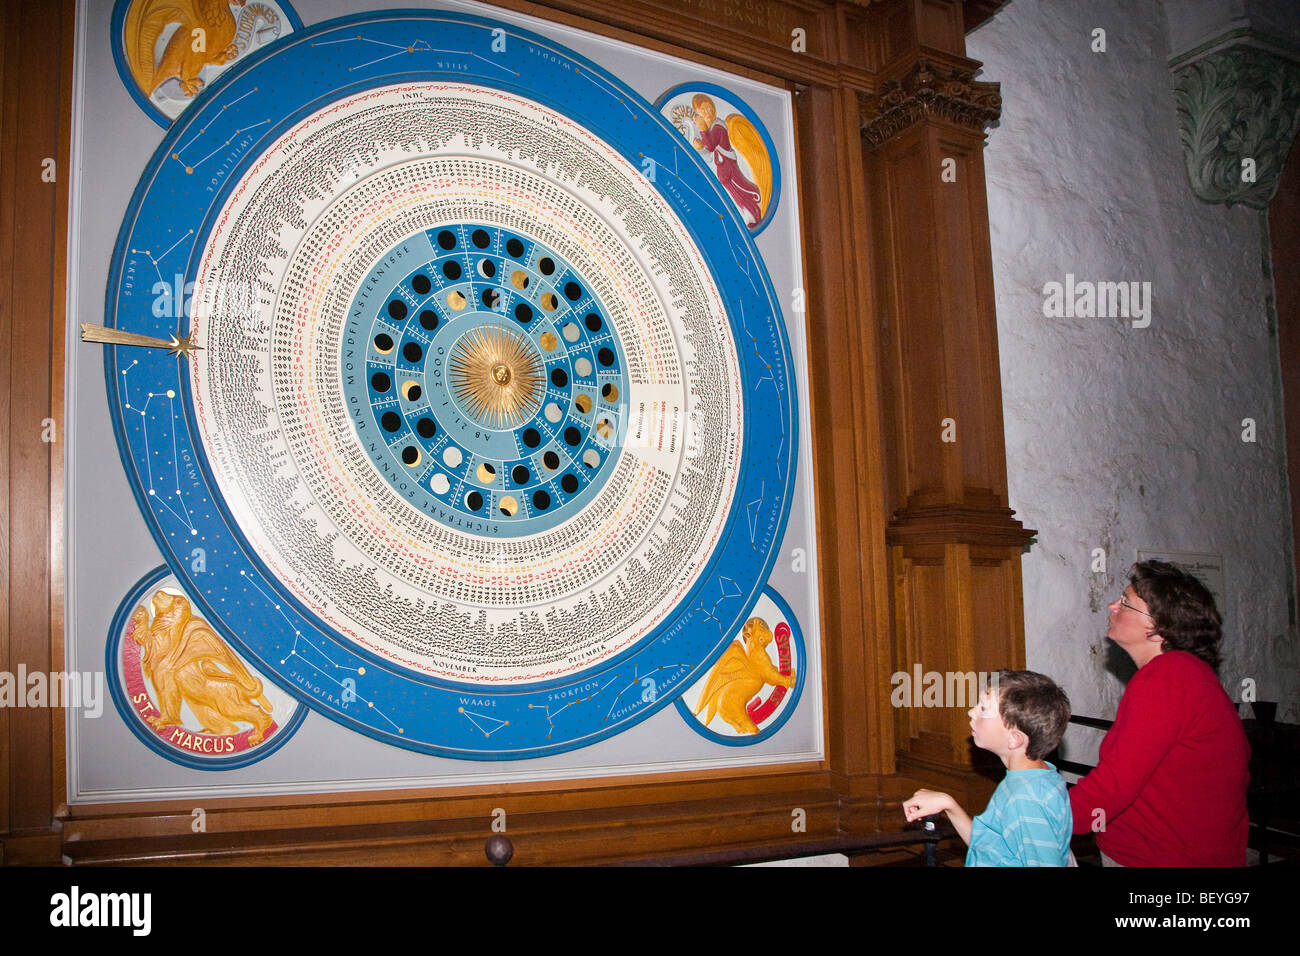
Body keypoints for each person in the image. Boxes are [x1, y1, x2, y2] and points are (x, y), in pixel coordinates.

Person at [1068, 561, 1250, 866]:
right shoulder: (1183, 674)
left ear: (1158, 629)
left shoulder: (1167, 679)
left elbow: (1114, 785)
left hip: (1162, 858)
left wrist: (1042, 819)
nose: (1113, 605)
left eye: (1126, 602)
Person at [904, 670, 1072, 866]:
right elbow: (990, 850)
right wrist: (949, 805)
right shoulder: (1035, 777)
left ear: (1014, 739)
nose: (971, 712)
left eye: (983, 709)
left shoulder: (1026, 799)